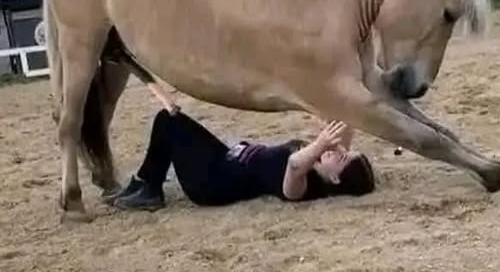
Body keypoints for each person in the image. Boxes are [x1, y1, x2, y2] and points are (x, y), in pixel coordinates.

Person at [107, 85, 376, 211]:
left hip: (211, 182)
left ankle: (148, 187)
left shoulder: (306, 188)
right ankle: (148, 183)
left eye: (342, 158)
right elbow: (345, 124)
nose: (338, 151)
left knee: (169, 121)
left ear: (336, 178)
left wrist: (319, 145)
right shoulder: (322, 162)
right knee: (171, 117)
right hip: (224, 155)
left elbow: (294, 165)